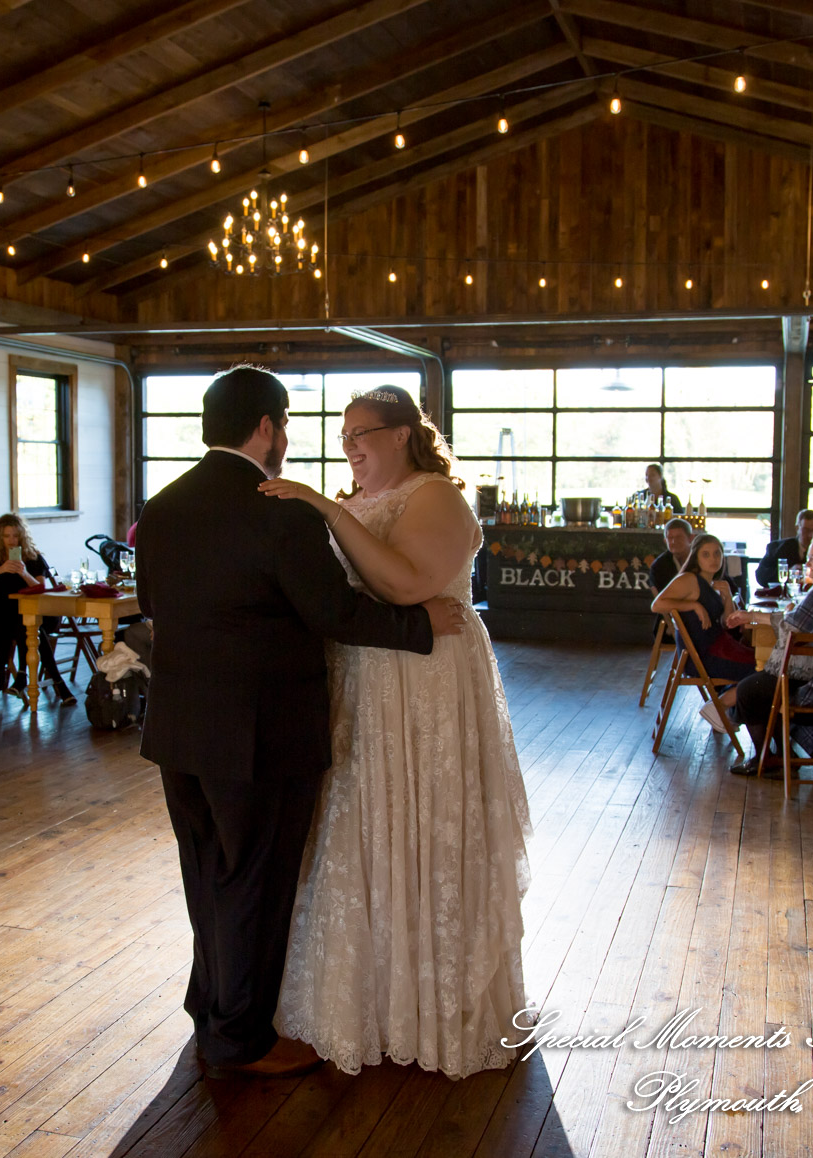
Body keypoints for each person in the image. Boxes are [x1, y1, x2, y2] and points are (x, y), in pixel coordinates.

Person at [135, 367, 464, 1081]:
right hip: (262, 732)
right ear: (266, 427)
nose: (285, 442)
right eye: (284, 428)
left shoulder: (160, 508)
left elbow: (154, 602)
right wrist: (421, 626)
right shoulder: (278, 512)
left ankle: (210, 1011)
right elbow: (335, 615)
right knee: (256, 881)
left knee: (208, 878)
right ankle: (244, 1040)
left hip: (178, 730)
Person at [258, 384, 531, 1079]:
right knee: (358, 827)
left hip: (423, 685)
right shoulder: (353, 504)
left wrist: (321, 506)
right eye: (344, 435)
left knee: (420, 825)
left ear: (404, 433)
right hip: (361, 682)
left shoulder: (433, 496)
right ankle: (366, 1003)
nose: (350, 445)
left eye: (364, 432)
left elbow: (408, 587)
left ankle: (432, 1007)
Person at [724, 534, 813, 776]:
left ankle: (769, 759)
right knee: (765, 684)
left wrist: (760, 616)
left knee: (751, 690)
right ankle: (781, 756)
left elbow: (792, 628)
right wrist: (752, 616)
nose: (808, 564)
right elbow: (796, 622)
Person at [0, 514, 75, 704]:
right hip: (5, 618)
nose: (11, 541)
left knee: (28, 625)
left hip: (38, 613)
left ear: (22, 536)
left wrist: (23, 572)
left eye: (15, 536)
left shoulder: (33, 557)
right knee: (26, 627)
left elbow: (42, 588)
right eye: (7, 536)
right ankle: (56, 682)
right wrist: (2, 569)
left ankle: (24, 677)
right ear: (0, 538)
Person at [651, 532, 755, 734]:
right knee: (763, 671)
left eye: (717, 554)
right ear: (696, 557)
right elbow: (657, 604)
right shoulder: (689, 580)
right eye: (706, 554)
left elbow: (728, 623)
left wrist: (726, 597)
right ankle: (721, 705)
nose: (713, 559)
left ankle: (729, 709)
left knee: (765, 664)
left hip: (718, 647)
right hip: (704, 656)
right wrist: (694, 605)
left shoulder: (712, 583)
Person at [755, 508, 813, 588]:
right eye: (806, 530)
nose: (811, 535)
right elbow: (761, 576)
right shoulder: (777, 548)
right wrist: (788, 571)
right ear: (797, 528)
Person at [648, 517, 694, 593]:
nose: (674, 541)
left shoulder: (701, 559)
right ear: (665, 541)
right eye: (670, 538)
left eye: (679, 537)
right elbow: (659, 600)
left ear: (691, 538)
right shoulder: (659, 566)